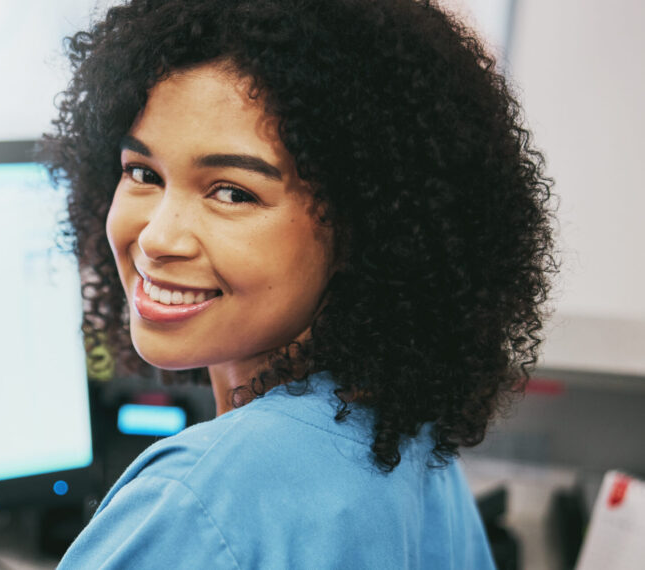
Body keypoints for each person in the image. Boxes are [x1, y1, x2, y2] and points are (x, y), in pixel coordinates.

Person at [39, 0, 556, 567]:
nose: (159, 237)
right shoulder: (409, 444)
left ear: (366, 229)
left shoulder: (197, 500)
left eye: (232, 192)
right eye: (143, 173)